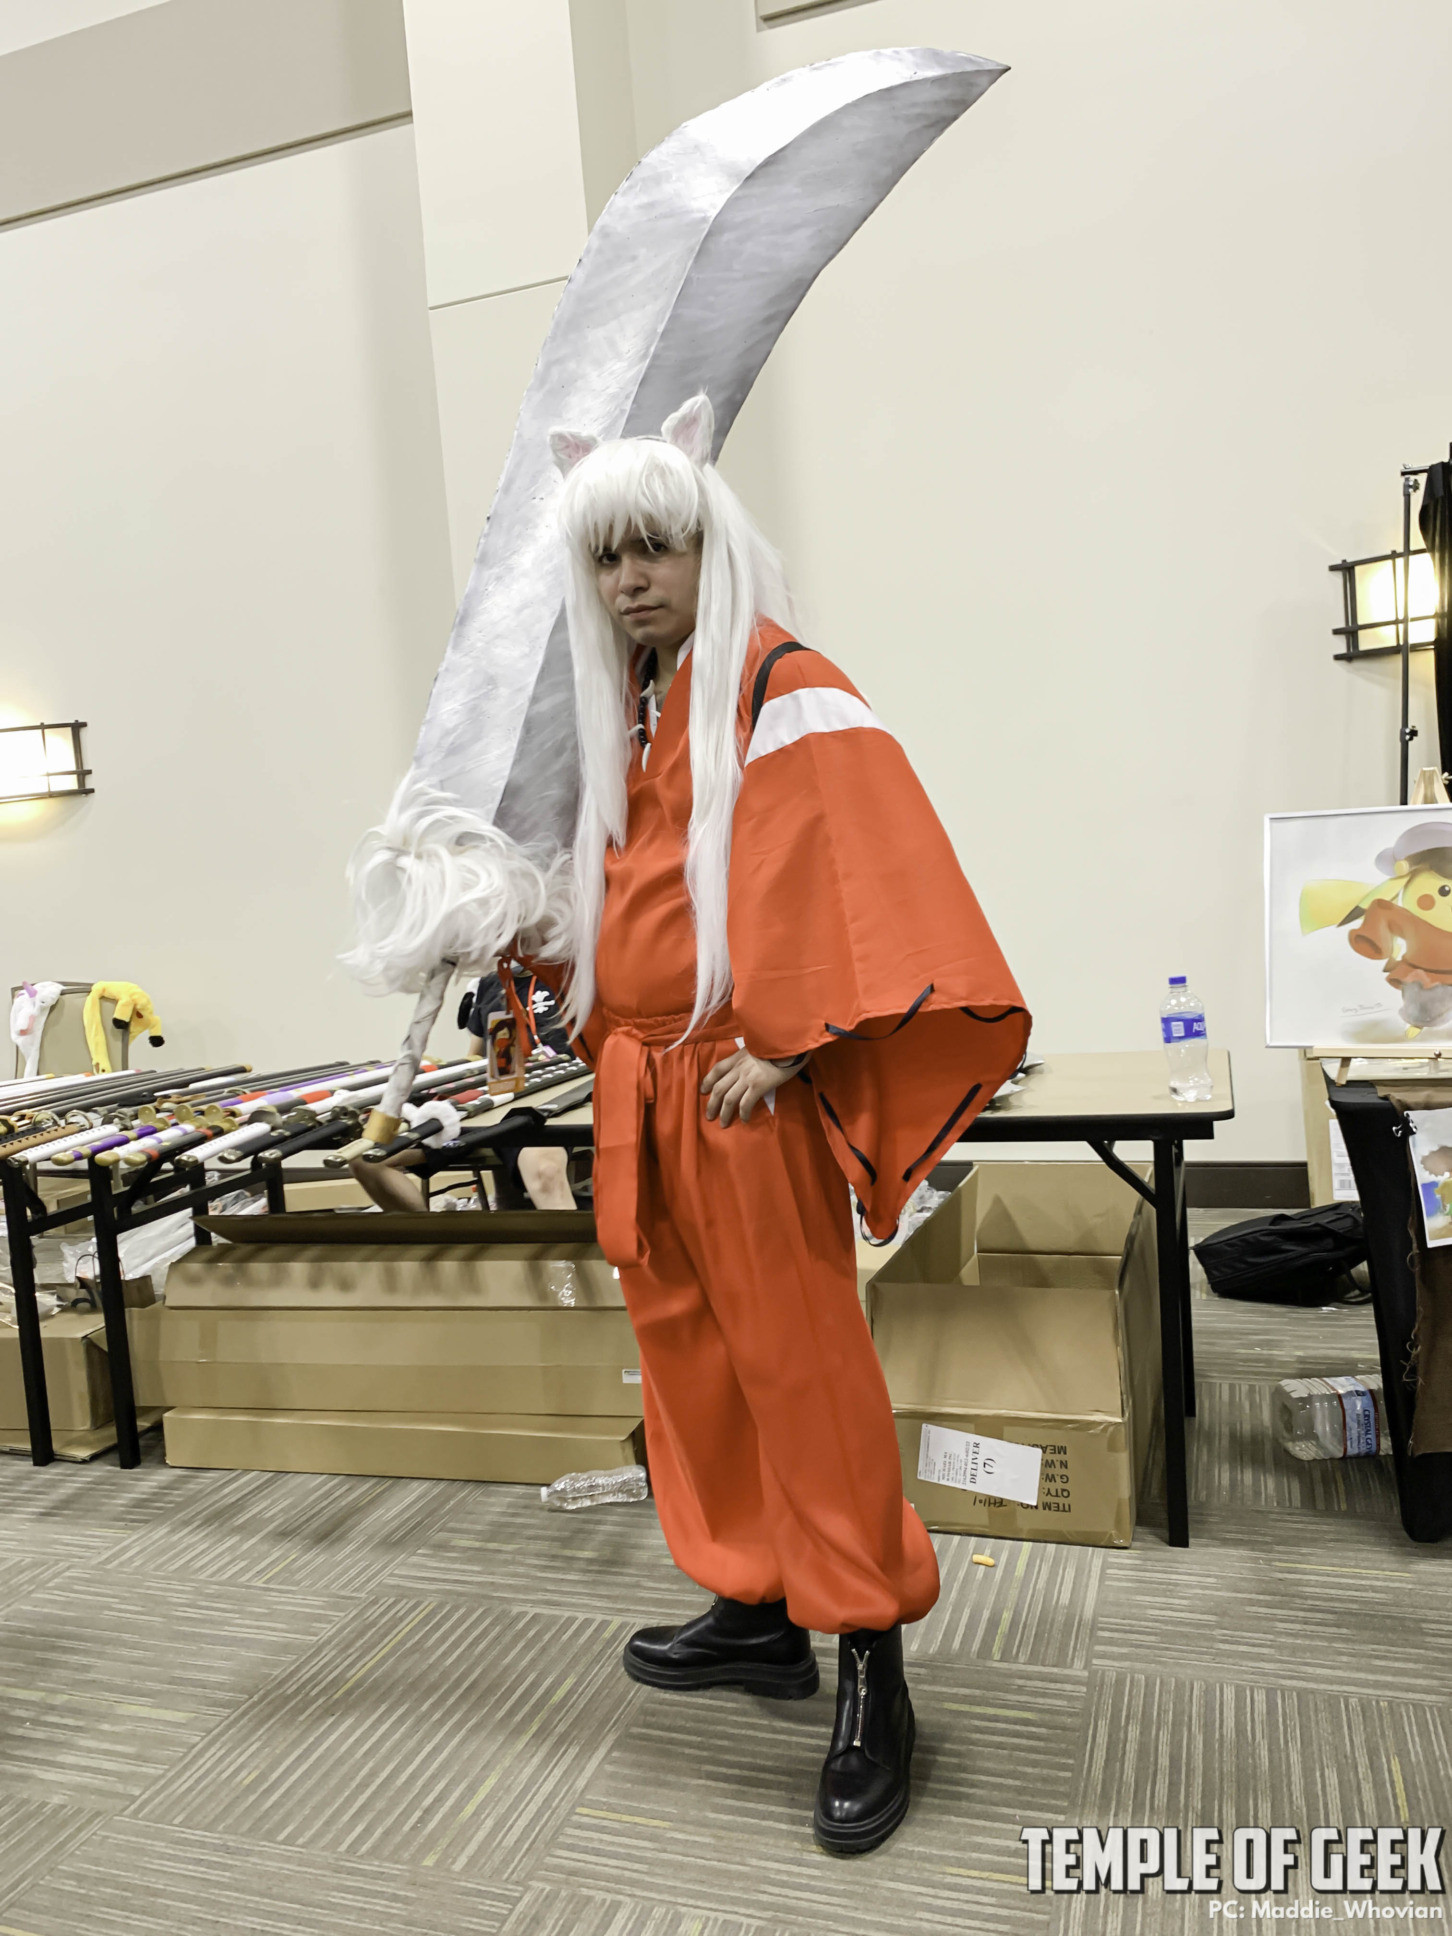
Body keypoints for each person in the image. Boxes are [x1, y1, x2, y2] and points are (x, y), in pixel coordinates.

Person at [535, 394, 1029, 1856]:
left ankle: (871, 1656)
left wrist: (797, 1044)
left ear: (711, 543)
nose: (633, 578)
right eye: (608, 556)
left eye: (658, 546)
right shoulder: (626, 702)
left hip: (735, 1095)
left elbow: (856, 863)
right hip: (640, 1087)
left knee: (802, 1375)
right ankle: (755, 1604)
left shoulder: (775, 679)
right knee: (690, 1367)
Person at [348, 965, 577, 1213]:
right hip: (493, 1101)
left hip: (550, 1107)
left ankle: (572, 1239)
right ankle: (428, 1234)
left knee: (545, 1170)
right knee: (366, 1159)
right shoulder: (490, 984)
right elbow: (474, 1059)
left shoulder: (574, 975)